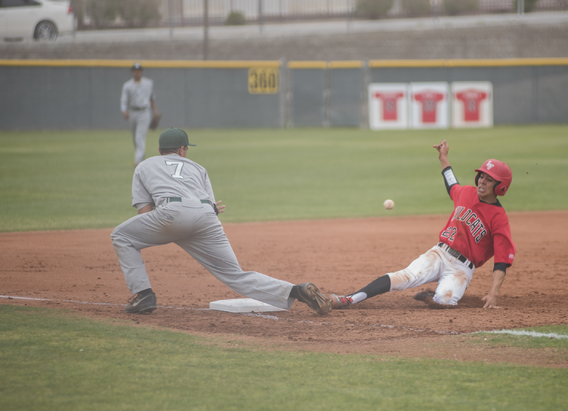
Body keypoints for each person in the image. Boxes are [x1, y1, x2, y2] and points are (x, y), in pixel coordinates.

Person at [111, 128, 332, 315]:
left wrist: (169, 229)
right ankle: (296, 290)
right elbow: (212, 207)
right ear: (182, 150)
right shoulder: (198, 168)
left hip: (170, 213)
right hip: (206, 217)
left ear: (160, 151)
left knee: (121, 236)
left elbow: (145, 212)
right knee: (235, 275)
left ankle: (144, 294)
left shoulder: (145, 166)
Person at [330, 140, 515, 310]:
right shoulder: (466, 192)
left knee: (444, 299)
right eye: (482, 176)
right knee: (404, 278)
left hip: (462, 268)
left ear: (500, 187)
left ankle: (435, 295)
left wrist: (493, 294)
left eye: (489, 179)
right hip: (440, 253)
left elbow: (501, 261)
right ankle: (348, 299)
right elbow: (452, 184)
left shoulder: (499, 218)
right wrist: (444, 158)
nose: (482, 180)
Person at [120, 63, 160, 167]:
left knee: (139, 137)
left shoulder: (148, 83)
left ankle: (138, 161)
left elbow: (152, 98)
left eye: (139, 71)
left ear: (141, 72)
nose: (137, 73)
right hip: (132, 112)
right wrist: (124, 110)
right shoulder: (127, 85)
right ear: (132, 72)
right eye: (135, 71)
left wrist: (155, 111)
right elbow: (124, 100)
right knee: (135, 138)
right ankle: (141, 158)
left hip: (144, 112)